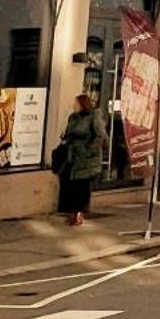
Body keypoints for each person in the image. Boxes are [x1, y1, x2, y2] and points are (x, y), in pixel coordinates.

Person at [55, 94, 100, 227]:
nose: (73, 105)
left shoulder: (93, 117)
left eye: (76, 103)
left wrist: (89, 150)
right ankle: (71, 211)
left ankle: (79, 213)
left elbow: (100, 136)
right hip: (72, 156)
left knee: (82, 186)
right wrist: (65, 137)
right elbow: (69, 133)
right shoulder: (72, 117)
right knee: (70, 184)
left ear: (82, 104)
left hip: (86, 158)